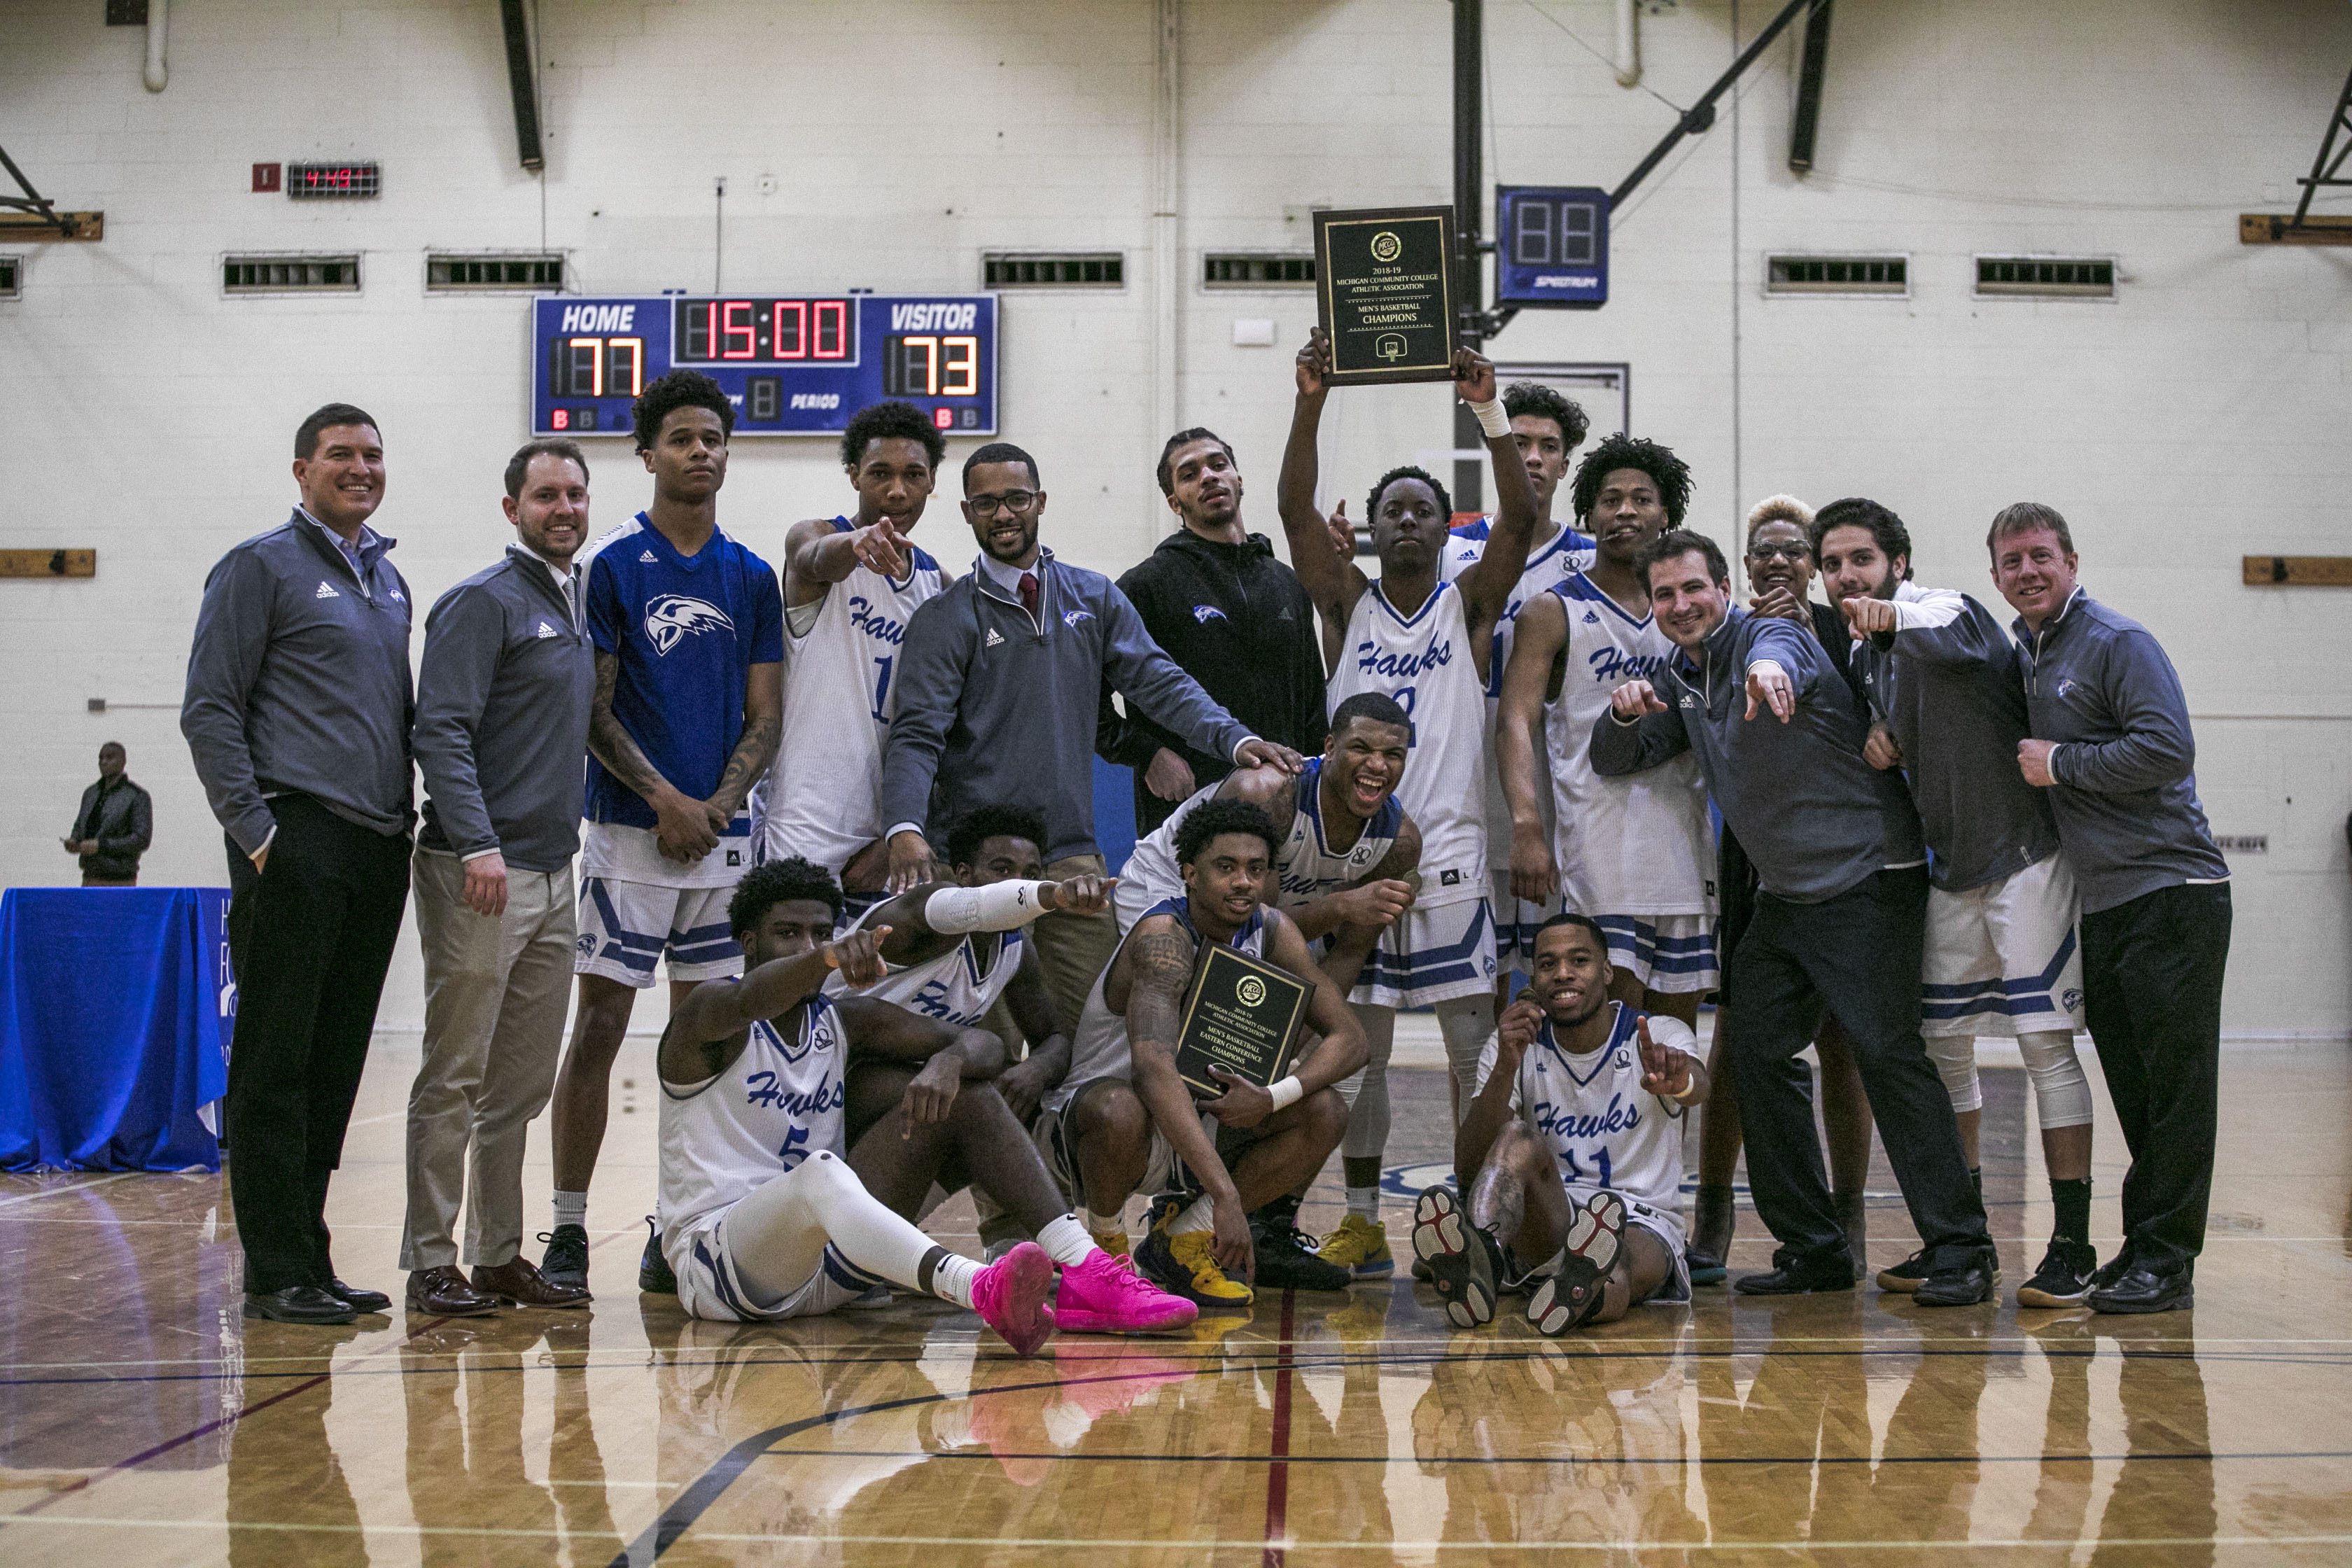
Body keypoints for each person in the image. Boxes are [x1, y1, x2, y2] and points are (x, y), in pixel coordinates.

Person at [1590, 529, 1996, 1305]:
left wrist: (1771, 666)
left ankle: (1963, 1246)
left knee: (1888, 1056)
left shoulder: (1768, 638)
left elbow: (1784, 654)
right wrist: (1619, 712)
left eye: (1694, 589)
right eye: (1666, 594)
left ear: (1725, 589)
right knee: (1754, 1051)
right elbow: (1616, 757)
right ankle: (1813, 1246)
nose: (1681, 605)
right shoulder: (1683, 675)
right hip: (1786, 899)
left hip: (1868, 879)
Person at [878, 442, 1301, 1032]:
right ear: (968, 512)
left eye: (1017, 499)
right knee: (986, 1043)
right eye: (987, 503)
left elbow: (1158, 681)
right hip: (979, 862)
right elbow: (916, 735)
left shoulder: (1093, 596)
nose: (1004, 515)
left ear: (1041, 502)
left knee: (1095, 1033)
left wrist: (1232, 739)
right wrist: (904, 828)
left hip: (1070, 853)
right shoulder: (945, 617)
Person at [1275, 328, 1540, 1200]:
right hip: (1357, 864)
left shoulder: (1468, 605)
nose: (1407, 521)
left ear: (1443, 527)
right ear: (1374, 528)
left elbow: (1522, 517)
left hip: (1453, 859)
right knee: (1363, 1051)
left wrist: (1488, 412)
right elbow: (1292, 510)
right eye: (1393, 510)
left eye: (1423, 509)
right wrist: (1311, 401)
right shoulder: (1346, 601)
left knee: (1473, 1049)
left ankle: (1476, 1208)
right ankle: (1357, 1212)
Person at [1816, 497, 2099, 1308]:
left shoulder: (1951, 610)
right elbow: (1893, 712)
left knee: (2045, 1048)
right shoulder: (1867, 656)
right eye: (1832, 564)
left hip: (2024, 861)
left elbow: (1937, 621)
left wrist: (1890, 612)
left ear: (1898, 563)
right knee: (1944, 1054)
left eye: (1862, 560)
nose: (1846, 577)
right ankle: (1961, 1238)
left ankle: (2072, 1244)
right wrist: (1880, 731)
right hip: (1949, 872)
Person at [540, 370, 785, 1290]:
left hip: (723, 843)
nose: (701, 452)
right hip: (628, 838)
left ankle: (680, 1222)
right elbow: (592, 710)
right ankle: (567, 1230)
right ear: (648, 456)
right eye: (682, 439)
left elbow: (766, 716)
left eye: (713, 438)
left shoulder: (752, 575)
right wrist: (664, 800)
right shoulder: (613, 566)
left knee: (705, 1037)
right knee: (601, 1025)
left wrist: (717, 803)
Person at [182, 402, 414, 1325]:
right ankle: (272, 1267)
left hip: (377, 842)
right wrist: (258, 833)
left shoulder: (387, 580)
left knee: (334, 1057)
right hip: (296, 836)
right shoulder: (259, 567)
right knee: (277, 1058)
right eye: (340, 455)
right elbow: (210, 708)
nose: (359, 468)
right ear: (301, 470)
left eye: (372, 455)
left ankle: (309, 1257)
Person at [813, 808, 1198, 1332]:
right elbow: (974, 929)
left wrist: (1037, 1068)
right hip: (822, 1111)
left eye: (1034, 870)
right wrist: (1054, 896)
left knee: (1004, 1088)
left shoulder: (1013, 948)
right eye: (1002, 868)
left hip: (879, 1134)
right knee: (971, 1090)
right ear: (964, 875)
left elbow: (1055, 1040)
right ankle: (1085, 1268)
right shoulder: (919, 915)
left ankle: (998, 1249)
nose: (1020, 880)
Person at [652, 867, 1056, 1351]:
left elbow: (985, 1043)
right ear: (749, 942)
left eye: (822, 934)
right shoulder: (709, 1014)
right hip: (726, 1272)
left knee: (968, 1095)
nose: (806, 946)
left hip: (834, 1274)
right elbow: (748, 997)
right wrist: (824, 959)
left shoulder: (845, 1021)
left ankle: (1086, 1265)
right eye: (788, 933)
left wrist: (949, 1061)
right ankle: (976, 1285)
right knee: (818, 1173)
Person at [1993, 501, 2230, 1315]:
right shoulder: (2025, 652)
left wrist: (2061, 760)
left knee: (2175, 1088)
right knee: (2134, 1083)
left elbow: (2168, 747)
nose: (2027, 571)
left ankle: (2169, 1260)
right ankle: (2147, 1247)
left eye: (2040, 556)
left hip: (2174, 890)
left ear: (2071, 560)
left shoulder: (2116, 641)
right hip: (2107, 901)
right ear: (1996, 575)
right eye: (2012, 561)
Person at [1110, 693, 1422, 1275]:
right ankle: (1135, 1219)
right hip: (1174, 901)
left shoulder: (1399, 842)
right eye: (1360, 748)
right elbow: (1241, 927)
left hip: (1266, 929)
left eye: (1392, 753)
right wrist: (1342, 904)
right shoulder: (1270, 795)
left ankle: (1221, 1226)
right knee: (1173, 1057)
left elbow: (1343, 955)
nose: (1377, 764)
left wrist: (1288, 1066)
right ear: (1327, 749)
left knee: (1299, 1091)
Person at [400, 440, 600, 1318]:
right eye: (546, 494)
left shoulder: (574, 602)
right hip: (476, 869)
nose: (563, 508)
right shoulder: (484, 602)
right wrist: (477, 842)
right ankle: (429, 1259)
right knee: (456, 1071)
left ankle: (498, 1254)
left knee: (520, 1080)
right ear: (512, 506)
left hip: (555, 871)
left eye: (575, 495)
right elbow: (438, 729)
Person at [1038, 800, 1368, 1309]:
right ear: (1189, 874)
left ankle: (1182, 1243)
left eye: (1256, 870)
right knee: (1118, 1107)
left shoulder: (1272, 930)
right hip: (1101, 1133)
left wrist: (1271, 1097)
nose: (1243, 882)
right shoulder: (1162, 940)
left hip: (1200, 1125)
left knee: (1324, 1111)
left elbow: (1351, 1039)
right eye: (1226, 868)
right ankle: (1105, 1256)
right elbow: (1152, 1072)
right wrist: (1226, 1196)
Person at [1682, 496, 1877, 1285]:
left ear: (1817, 564)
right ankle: (1714, 1209)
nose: (1777, 561)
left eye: (1794, 550)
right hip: (1753, 858)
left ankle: (1848, 1208)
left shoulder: (1847, 633)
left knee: (1843, 1041)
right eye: (1761, 550)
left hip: (1837, 861)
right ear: (1743, 568)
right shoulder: (1722, 640)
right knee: (1739, 1037)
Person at [1497, 435, 1717, 1027]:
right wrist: (1526, 824)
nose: (1625, 511)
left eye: (1641, 499)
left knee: (1676, 1044)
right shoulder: (1552, 609)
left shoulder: (1691, 611)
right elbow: (1516, 717)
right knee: (1607, 1036)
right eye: (1609, 499)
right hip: (1598, 857)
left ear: (1666, 512)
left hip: (1685, 849)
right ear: (1587, 514)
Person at [1411, 913, 1707, 1335]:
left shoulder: (1655, 1033)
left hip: (1642, 1220)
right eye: (1548, 964)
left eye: (1579, 960)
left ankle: (1577, 1290)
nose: (1563, 973)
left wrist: (1681, 1081)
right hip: (1556, 1213)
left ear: (1607, 971)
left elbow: (1699, 1084)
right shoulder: (1513, 1043)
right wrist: (1504, 1069)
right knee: (1516, 1138)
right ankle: (1482, 1261)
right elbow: (1469, 1165)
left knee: (1615, 1264)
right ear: (1535, 976)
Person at [762, 400, 953, 918]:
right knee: (790, 986)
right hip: (803, 820)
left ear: (933, 480)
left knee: (866, 989)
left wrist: (901, 830)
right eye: (880, 474)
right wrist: (857, 542)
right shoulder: (818, 536)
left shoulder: (938, 588)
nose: (897, 490)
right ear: (853, 475)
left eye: (914, 475)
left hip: (884, 832)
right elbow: (811, 558)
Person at [1434, 383, 1597, 984]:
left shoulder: (1592, 558)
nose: (1532, 456)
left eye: (1548, 446)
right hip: (1467, 777)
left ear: (1564, 462)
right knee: (1478, 986)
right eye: (1519, 442)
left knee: (1555, 970)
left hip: (1560, 780)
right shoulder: (1449, 550)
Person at [1097, 428, 1330, 835]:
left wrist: (1318, 786)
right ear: (1174, 502)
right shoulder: (1146, 586)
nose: (1208, 476)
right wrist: (1147, 754)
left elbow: (1312, 703)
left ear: (1239, 480)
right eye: (1189, 474)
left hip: (1289, 809)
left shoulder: (1286, 582)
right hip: (1187, 811)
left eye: (1218, 465)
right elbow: (1087, 695)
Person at [63, 742, 152, 886]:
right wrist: (74, 841)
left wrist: (101, 846)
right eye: (101, 758)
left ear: (123, 761)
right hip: (89, 876)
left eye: (110, 758)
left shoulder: (137, 796)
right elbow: (80, 825)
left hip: (121, 880)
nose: (103, 762)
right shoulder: (91, 793)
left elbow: (141, 840)